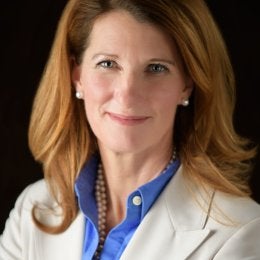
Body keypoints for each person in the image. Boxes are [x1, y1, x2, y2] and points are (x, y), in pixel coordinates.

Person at [1, 0, 260, 259]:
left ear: (187, 84)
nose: (127, 96)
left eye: (156, 68)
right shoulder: (33, 210)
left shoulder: (239, 232)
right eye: (108, 64)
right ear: (77, 75)